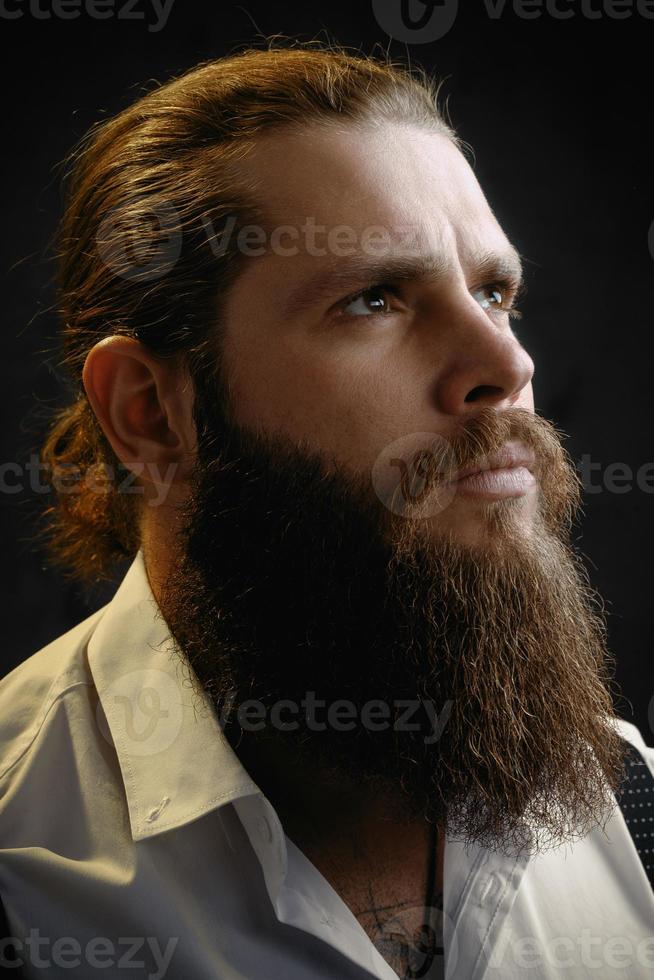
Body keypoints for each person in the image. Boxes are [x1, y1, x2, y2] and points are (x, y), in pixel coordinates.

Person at [1, 41, 652, 980]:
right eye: (375, 299)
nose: (508, 367)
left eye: (494, 293)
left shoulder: (632, 804)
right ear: (150, 414)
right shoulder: (24, 864)